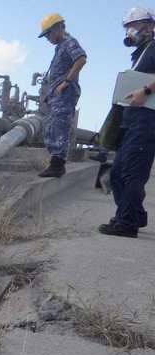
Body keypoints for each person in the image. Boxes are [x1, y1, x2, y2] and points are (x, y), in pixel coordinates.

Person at [99, 6, 155, 238]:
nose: (131, 30)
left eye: (136, 25)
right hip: (132, 121)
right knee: (117, 173)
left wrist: (146, 89)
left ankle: (127, 223)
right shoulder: (142, 52)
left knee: (132, 172)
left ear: (151, 26)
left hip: (146, 122)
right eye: (128, 27)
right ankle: (132, 214)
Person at [37, 13, 87, 178]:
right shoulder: (60, 47)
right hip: (56, 96)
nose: (47, 39)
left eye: (48, 35)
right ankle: (54, 162)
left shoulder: (69, 42)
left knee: (60, 128)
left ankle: (58, 164)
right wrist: (48, 96)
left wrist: (66, 81)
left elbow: (81, 59)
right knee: (50, 129)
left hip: (65, 94)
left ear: (56, 29)